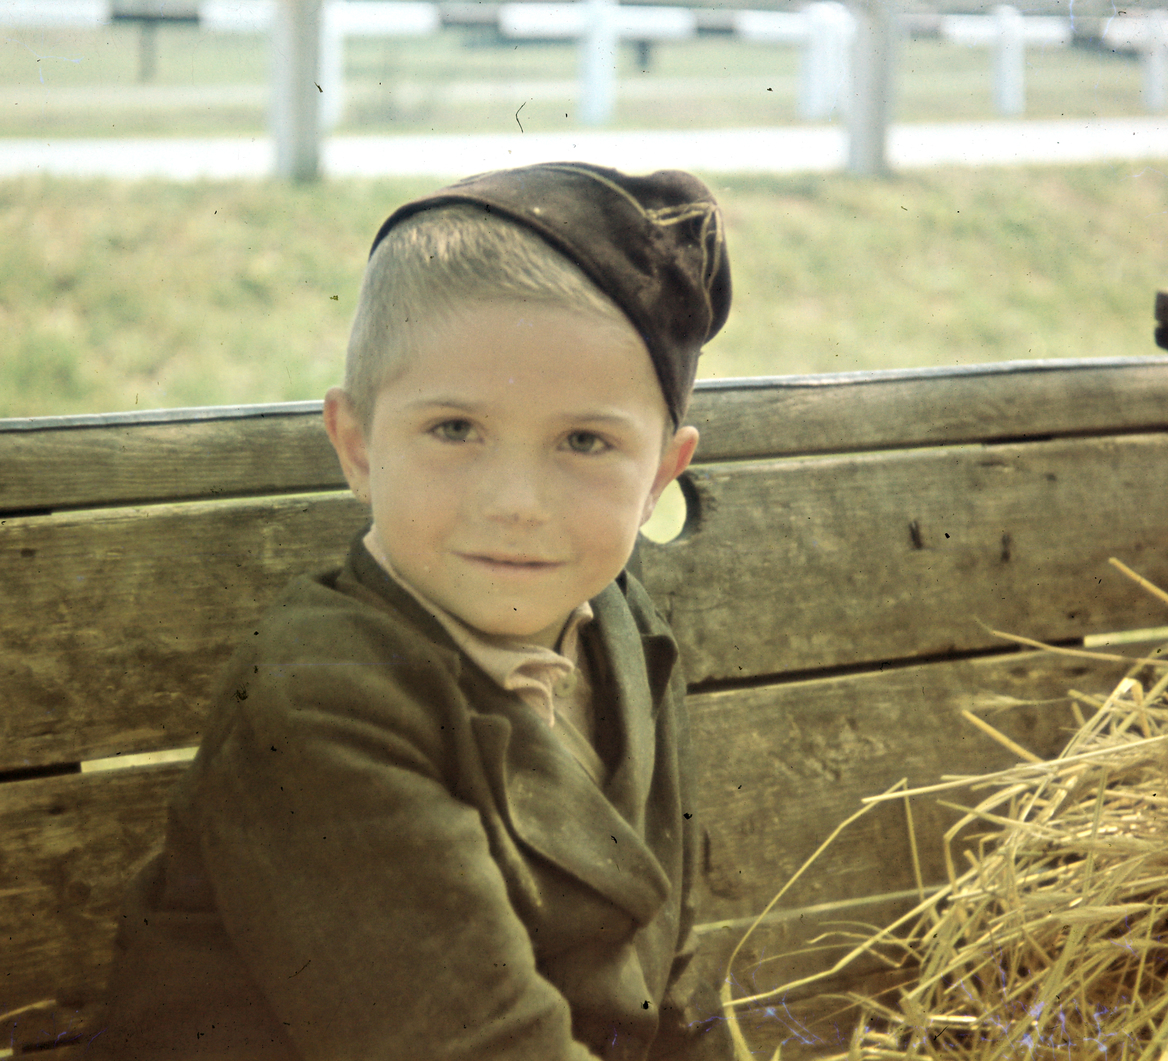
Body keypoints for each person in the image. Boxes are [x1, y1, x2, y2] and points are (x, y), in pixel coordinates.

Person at [87, 161, 733, 1061]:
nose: (516, 501)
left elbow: (673, 991)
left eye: (585, 441)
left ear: (662, 473)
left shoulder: (627, 635)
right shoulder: (322, 704)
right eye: (455, 429)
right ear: (356, 446)